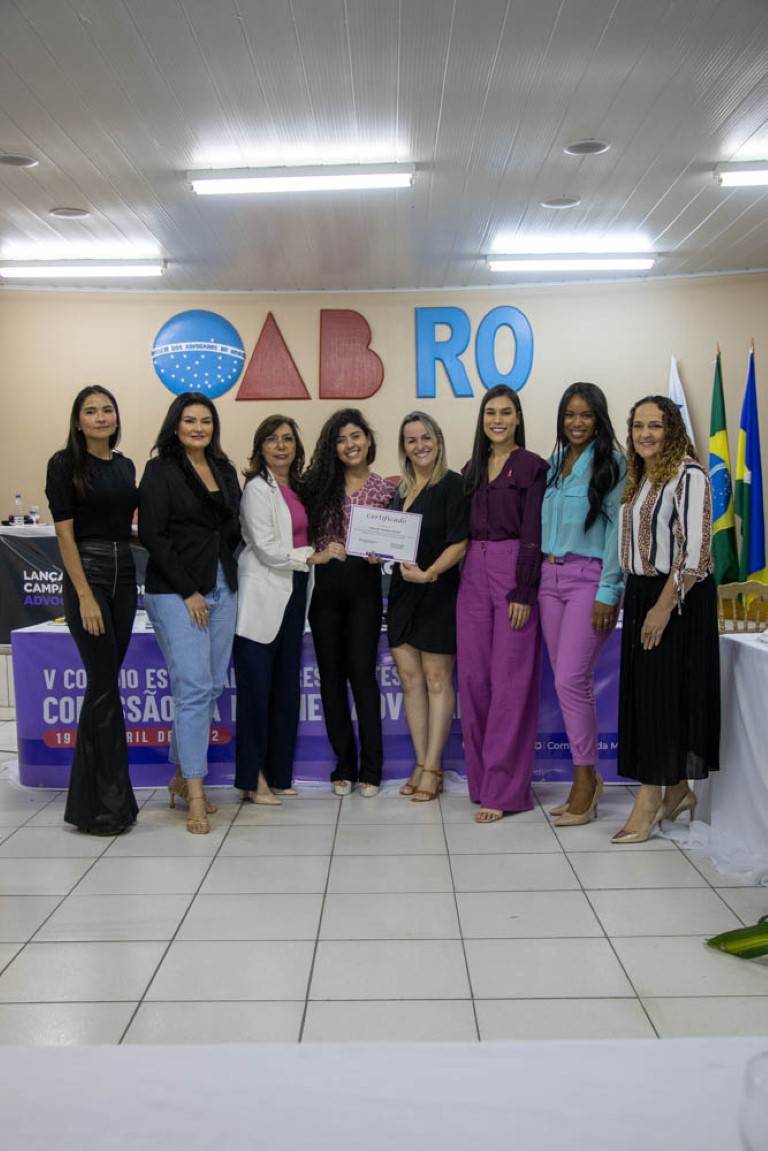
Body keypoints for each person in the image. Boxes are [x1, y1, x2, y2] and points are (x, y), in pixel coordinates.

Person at [612, 395, 719, 844]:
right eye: (638, 426)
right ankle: (676, 791)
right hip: (642, 593)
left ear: (672, 429)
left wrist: (661, 607)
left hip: (677, 597)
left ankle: (649, 800)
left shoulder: (689, 475)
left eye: (655, 425)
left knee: (661, 698)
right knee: (647, 698)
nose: (645, 434)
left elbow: (696, 554)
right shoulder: (641, 475)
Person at [138, 393, 241, 834]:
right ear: (175, 425)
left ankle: (182, 777)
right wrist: (189, 590)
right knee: (196, 688)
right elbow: (153, 535)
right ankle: (197, 793)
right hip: (176, 591)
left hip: (223, 585)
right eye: (190, 420)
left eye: (206, 421)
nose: (198, 428)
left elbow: (231, 528)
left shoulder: (224, 468)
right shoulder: (160, 470)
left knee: (209, 685)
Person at [234, 415, 344, 804]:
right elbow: (266, 549)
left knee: (285, 690)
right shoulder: (256, 489)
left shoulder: (297, 489)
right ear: (259, 448)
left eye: (287, 439)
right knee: (256, 694)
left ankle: (279, 775)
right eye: (271, 440)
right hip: (262, 596)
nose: (280, 446)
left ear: (297, 446)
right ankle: (252, 780)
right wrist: (312, 557)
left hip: (295, 593)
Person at [45, 386, 139, 835]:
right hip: (90, 575)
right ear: (78, 421)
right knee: (102, 685)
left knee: (105, 687)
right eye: (90, 411)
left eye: (107, 409)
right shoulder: (64, 464)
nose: (101, 417)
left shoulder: (125, 466)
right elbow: (65, 534)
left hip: (125, 575)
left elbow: (127, 530)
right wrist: (84, 594)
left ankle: (94, 803)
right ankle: (105, 808)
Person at [457, 384, 548, 823]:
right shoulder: (471, 469)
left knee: (510, 682)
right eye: (490, 412)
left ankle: (505, 790)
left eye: (506, 412)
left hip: (513, 570)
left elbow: (534, 531)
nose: (498, 420)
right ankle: (481, 782)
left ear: (517, 418)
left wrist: (525, 590)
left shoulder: (532, 466)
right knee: (473, 681)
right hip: (472, 572)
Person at [539, 383, 626, 827]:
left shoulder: (614, 465)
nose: (577, 422)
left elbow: (616, 534)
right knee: (567, 682)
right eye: (570, 415)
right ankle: (588, 778)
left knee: (572, 679)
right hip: (548, 579)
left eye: (586, 415)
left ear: (599, 420)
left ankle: (585, 781)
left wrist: (608, 591)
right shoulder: (554, 465)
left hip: (589, 580)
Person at [302, 408, 396, 797]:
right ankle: (343, 764)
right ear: (333, 447)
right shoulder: (317, 487)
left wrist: (383, 554)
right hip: (324, 591)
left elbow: (397, 544)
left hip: (364, 591)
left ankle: (372, 768)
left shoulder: (387, 490)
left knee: (362, 675)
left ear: (368, 440)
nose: (349, 445)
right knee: (331, 679)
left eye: (355, 436)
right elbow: (298, 537)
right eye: (341, 440)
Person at [387, 411, 469, 801]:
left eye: (426, 437)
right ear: (403, 448)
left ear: (438, 440)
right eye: (411, 440)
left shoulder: (453, 485)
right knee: (410, 681)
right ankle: (421, 763)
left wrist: (430, 573)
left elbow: (461, 542)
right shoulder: (400, 491)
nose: (420, 446)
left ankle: (434, 768)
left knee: (437, 680)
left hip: (438, 591)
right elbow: (393, 542)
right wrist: (377, 551)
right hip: (402, 595)